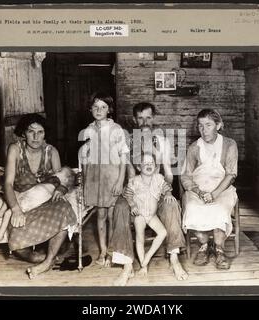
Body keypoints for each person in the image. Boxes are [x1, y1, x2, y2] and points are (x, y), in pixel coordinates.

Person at [108, 102, 188, 286]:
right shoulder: (128, 142)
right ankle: (127, 266)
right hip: (134, 190)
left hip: (158, 189)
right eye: (141, 118)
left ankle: (174, 259)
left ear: (154, 118)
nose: (145, 122)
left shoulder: (162, 141)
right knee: (120, 207)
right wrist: (132, 196)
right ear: (135, 120)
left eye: (148, 117)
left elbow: (168, 172)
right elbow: (128, 173)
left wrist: (166, 191)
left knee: (171, 205)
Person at [4, 113, 76, 279]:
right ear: (23, 133)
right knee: (18, 246)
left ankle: (47, 261)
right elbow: (7, 183)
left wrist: (62, 189)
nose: (36, 137)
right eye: (31, 131)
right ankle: (45, 257)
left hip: (46, 199)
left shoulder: (52, 152)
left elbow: (62, 179)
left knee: (65, 209)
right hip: (24, 200)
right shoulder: (15, 149)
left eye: (40, 132)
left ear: (45, 134)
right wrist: (15, 209)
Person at [180, 109, 238, 269]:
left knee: (219, 208)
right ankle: (204, 246)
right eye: (200, 126)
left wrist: (214, 194)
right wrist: (198, 192)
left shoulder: (229, 144)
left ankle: (219, 249)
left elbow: (231, 173)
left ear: (218, 125)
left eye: (208, 125)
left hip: (222, 188)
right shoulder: (194, 147)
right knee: (192, 207)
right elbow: (185, 176)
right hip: (199, 189)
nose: (203, 130)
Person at [79, 92, 128, 266]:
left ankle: (113, 253)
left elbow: (123, 157)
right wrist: (86, 181)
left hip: (112, 177)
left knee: (111, 215)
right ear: (90, 109)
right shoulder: (89, 129)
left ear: (109, 110)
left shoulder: (116, 130)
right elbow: (86, 157)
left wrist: (120, 180)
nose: (99, 110)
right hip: (96, 177)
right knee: (100, 214)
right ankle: (103, 251)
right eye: (95, 107)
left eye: (103, 107)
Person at [0, 166, 75, 245]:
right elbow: (40, 180)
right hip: (30, 193)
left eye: (60, 171)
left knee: (9, 213)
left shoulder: (58, 184)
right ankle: (1, 211)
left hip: (34, 198)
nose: (57, 171)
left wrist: (61, 189)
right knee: (11, 193)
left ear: (66, 180)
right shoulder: (53, 179)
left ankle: (0, 234)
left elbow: (63, 189)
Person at [124, 153, 175, 276]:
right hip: (140, 215)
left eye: (151, 163)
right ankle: (143, 265)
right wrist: (133, 205)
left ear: (156, 166)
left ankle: (147, 257)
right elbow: (128, 195)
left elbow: (167, 188)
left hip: (152, 216)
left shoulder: (158, 178)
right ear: (139, 167)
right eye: (145, 163)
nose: (149, 165)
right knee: (140, 239)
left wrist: (168, 194)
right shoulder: (135, 181)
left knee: (163, 232)